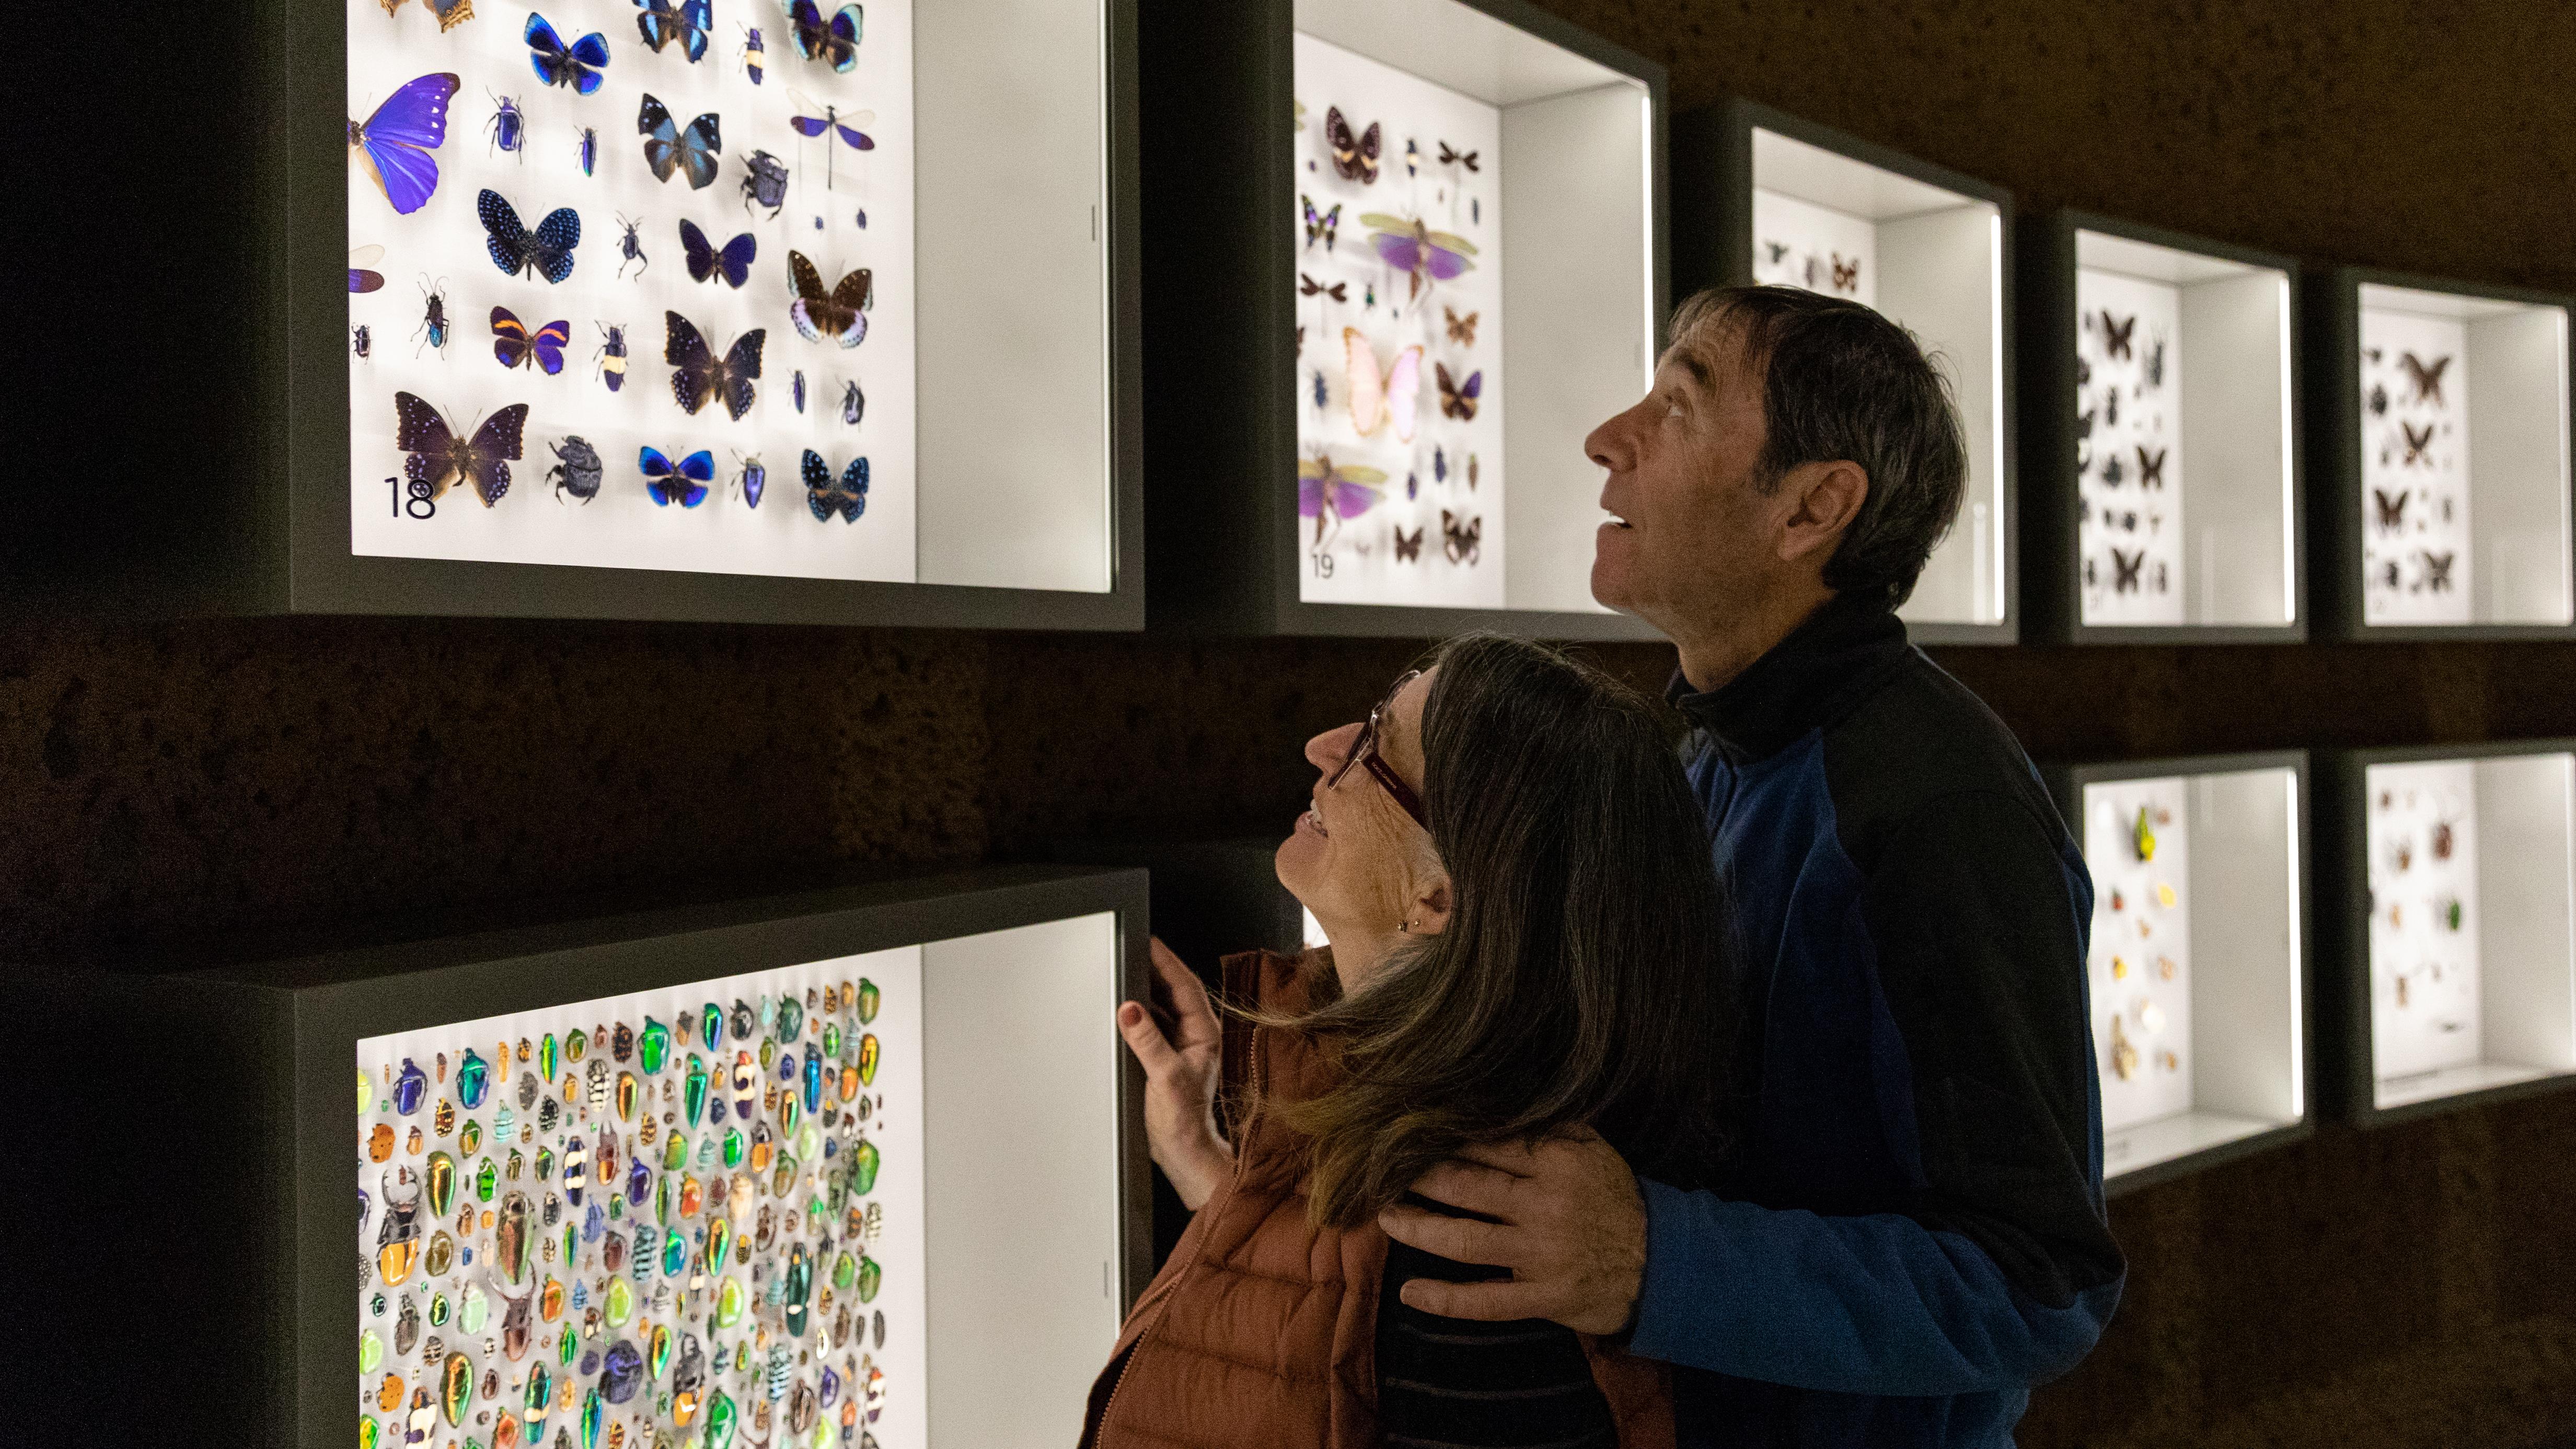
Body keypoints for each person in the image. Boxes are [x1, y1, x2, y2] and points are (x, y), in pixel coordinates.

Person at [1372, 285, 2126, 1447]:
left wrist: (1653, 1259)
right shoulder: (1707, 755)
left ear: (1812, 507)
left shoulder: (1936, 809)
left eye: (1674, 406)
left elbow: (2037, 1282)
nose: (1604, 441)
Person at [1084, 633, 1745, 1449]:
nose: (1323, 748)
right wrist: (1214, 1174)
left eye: (1374, 748)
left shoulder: (1480, 1245)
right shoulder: (1430, 1109)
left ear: (1438, 898)